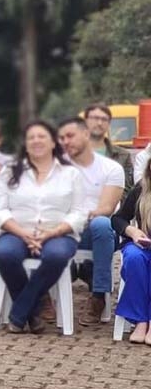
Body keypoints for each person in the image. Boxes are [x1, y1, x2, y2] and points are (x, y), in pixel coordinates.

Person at [0, 120, 88, 334]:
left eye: (41, 136)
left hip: (58, 233)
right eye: (31, 137)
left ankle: (20, 312)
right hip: (15, 232)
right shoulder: (10, 171)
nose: (36, 141)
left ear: (53, 142)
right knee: (5, 254)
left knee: (56, 255)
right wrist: (23, 233)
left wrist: (52, 232)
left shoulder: (71, 173)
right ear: (25, 145)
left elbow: (79, 213)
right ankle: (33, 313)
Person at [57, 117, 123, 325]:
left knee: (102, 223)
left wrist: (76, 217)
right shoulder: (55, 167)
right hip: (62, 230)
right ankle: (43, 297)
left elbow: (106, 209)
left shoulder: (111, 168)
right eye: (61, 138)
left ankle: (98, 295)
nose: (65, 141)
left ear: (86, 134)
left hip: (96, 233)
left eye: (70, 136)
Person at [111, 159, 151, 343]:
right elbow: (118, 219)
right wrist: (132, 231)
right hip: (142, 244)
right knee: (134, 258)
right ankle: (140, 321)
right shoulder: (142, 188)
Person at [84, 103, 134, 190]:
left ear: (109, 124)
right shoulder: (71, 153)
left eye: (104, 119)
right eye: (95, 118)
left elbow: (127, 189)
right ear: (85, 121)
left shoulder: (123, 155)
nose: (99, 123)